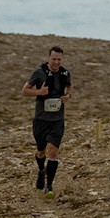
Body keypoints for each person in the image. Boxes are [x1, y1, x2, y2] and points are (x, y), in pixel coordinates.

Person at [23, 45, 72, 196]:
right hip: (41, 119)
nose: (56, 62)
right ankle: (40, 171)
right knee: (41, 151)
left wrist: (67, 96)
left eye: (59, 59)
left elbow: (70, 86)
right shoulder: (39, 72)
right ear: (48, 58)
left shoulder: (65, 73)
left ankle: (49, 186)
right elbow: (24, 90)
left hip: (57, 119)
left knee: (53, 152)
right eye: (54, 59)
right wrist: (39, 92)